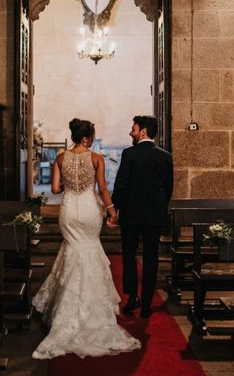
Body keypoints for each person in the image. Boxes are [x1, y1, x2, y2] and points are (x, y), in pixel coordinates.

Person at [32, 119, 141, 359]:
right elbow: (102, 189)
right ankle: (92, 314)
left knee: (72, 251)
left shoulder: (61, 158)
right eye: (92, 135)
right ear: (86, 137)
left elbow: (55, 190)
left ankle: (66, 314)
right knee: (90, 251)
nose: (92, 138)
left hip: (70, 210)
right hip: (90, 211)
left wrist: (71, 185)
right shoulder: (96, 158)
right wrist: (113, 212)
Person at [111, 116, 173, 319]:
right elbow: (168, 188)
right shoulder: (165, 156)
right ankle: (146, 304)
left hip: (131, 215)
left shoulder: (129, 154)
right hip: (155, 215)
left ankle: (132, 298)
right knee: (151, 258)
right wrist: (159, 207)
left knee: (129, 256)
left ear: (143, 131)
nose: (131, 132)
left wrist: (114, 209)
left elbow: (121, 184)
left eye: (133, 129)